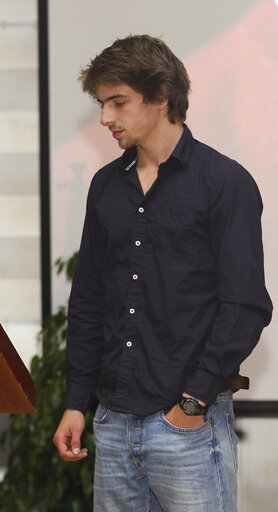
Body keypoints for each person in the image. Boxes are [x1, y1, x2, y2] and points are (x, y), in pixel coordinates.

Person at [52, 35, 272, 511]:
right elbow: (89, 299)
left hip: (189, 425)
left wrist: (192, 404)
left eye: (118, 102)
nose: (105, 118)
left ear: (160, 97)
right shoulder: (105, 186)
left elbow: (246, 306)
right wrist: (76, 401)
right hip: (112, 424)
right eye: (102, 103)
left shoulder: (225, 183)